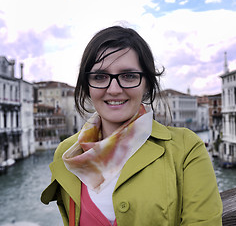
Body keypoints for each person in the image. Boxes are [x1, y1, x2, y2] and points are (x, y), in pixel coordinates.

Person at [41, 25, 223, 226]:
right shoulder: (66, 153)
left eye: (128, 76)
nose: (114, 89)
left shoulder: (186, 148)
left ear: (147, 84)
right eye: (100, 77)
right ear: (87, 86)